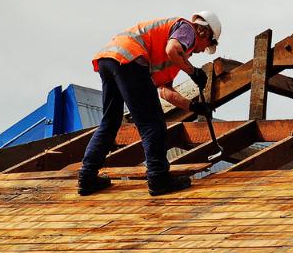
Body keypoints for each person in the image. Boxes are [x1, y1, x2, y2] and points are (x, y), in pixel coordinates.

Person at [77, 11, 222, 196]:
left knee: (110, 122)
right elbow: (172, 49)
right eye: (208, 44)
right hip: (130, 59)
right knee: (152, 123)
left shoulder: (175, 56)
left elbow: (165, 91)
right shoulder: (188, 30)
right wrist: (193, 72)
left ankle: (87, 177)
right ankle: (158, 178)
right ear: (205, 32)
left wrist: (193, 107)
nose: (202, 50)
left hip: (110, 59)